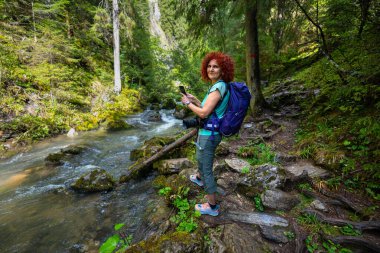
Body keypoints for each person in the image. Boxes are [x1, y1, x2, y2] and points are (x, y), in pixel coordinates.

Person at [181, 51, 234, 216]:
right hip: (207, 132)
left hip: (210, 134)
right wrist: (195, 99)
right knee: (200, 159)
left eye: (215, 66)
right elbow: (208, 108)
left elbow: (203, 114)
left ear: (222, 70)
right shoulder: (216, 86)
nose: (211, 69)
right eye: (209, 66)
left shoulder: (218, 87)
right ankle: (199, 178)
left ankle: (212, 206)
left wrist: (188, 103)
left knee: (206, 168)